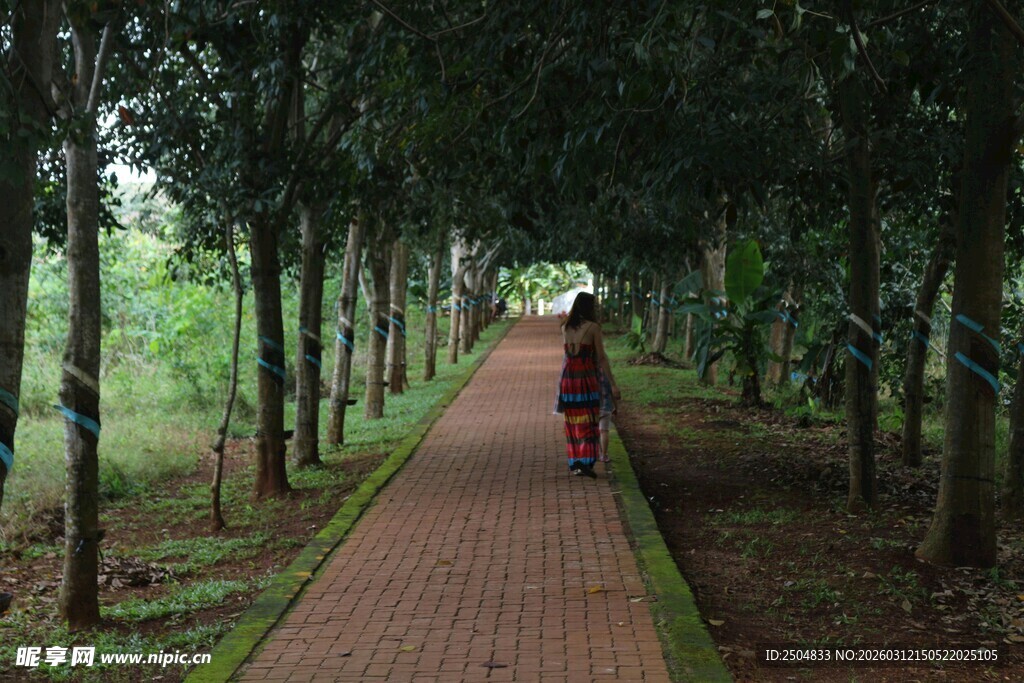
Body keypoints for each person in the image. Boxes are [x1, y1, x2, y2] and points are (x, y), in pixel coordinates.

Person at [555, 292, 620, 478]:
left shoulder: (565, 326)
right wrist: (613, 385)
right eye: (595, 306)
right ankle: (586, 460)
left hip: (568, 380)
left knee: (572, 421)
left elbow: (568, 356)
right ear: (589, 307)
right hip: (586, 379)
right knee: (590, 420)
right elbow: (601, 358)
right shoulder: (593, 328)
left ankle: (575, 460)